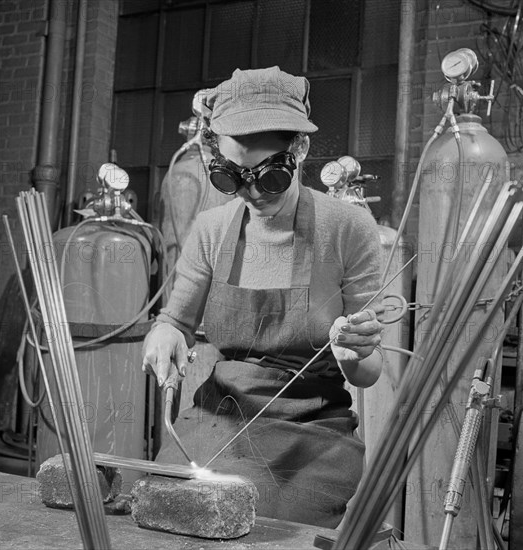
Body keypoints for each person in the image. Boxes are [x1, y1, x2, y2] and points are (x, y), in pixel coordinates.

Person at [142, 66, 384, 528]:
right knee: (164, 513)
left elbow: (369, 374)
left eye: (269, 177)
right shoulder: (212, 230)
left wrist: (354, 350)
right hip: (218, 417)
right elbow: (174, 320)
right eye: (231, 178)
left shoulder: (348, 228)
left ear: (301, 149)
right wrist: (164, 332)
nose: (252, 193)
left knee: (266, 527)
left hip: (310, 432)